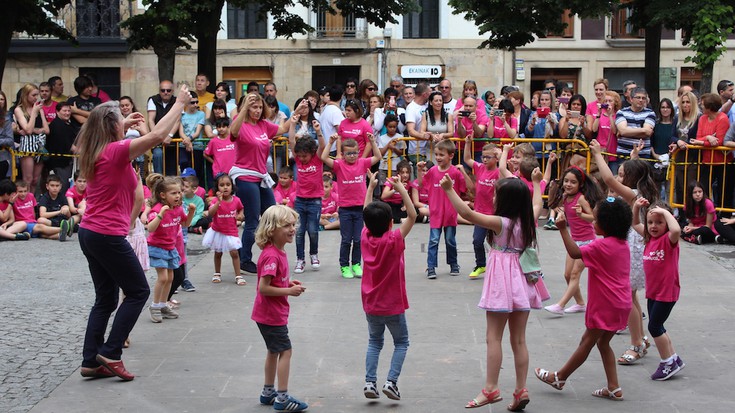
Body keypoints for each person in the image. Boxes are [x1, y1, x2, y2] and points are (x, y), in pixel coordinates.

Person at [75, 85, 188, 381]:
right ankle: (111, 353)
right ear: (111, 127)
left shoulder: (95, 148)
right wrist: (179, 103)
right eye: (118, 119)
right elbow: (157, 137)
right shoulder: (114, 152)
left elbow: (106, 131)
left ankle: (90, 360)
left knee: (105, 299)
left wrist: (121, 124)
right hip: (107, 235)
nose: (123, 121)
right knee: (138, 291)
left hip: (90, 232)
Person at [440, 168, 546, 410]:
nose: (494, 198)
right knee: (519, 340)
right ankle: (521, 389)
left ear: (506, 201)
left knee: (493, 337)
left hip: (502, 284)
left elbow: (467, 212)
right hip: (523, 283)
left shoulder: (501, 223)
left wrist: (448, 190)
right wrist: (538, 184)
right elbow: (537, 202)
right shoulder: (529, 220)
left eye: (497, 195)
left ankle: (491, 388)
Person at [535, 197, 632, 401]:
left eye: (596, 220)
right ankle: (614, 387)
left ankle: (559, 377)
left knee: (586, 342)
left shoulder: (601, 246)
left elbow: (574, 252)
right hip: (621, 304)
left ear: (607, 225)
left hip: (605, 305)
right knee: (603, 343)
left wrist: (563, 228)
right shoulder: (622, 244)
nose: (592, 223)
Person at [589, 140, 658, 366]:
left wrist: (598, 153)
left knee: (628, 296)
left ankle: (637, 342)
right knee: (632, 295)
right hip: (635, 245)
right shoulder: (639, 190)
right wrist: (634, 155)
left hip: (634, 247)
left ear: (629, 178)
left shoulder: (631, 193)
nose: (617, 179)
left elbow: (607, 179)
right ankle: (640, 337)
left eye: (622, 175)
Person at [229, 93, 306, 275]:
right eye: (253, 107)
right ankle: (244, 259)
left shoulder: (263, 125)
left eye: (258, 107)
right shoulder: (240, 123)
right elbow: (233, 133)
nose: (256, 110)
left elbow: (282, 129)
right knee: (253, 219)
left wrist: (296, 112)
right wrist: (243, 108)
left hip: (261, 176)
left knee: (274, 214)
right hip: (244, 175)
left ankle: (272, 253)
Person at [361, 170, 416, 401]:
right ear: (391, 223)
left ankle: (370, 382)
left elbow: (366, 213)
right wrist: (402, 189)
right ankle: (391, 382)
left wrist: (371, 188)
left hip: (371, 304)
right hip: (392, 305)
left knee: (375, 341)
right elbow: (412, 216)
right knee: (401, 342)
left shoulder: (365, 237)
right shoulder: (393, 240)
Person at [252, 205, 308, 412]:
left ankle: (268, 392)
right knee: (285, 351)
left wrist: (287, 283)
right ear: (272, 229)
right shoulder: (272, 256)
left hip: (268, 314)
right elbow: (264, 288)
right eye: (286, 225)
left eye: (293, 224)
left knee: (274, 351)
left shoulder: (277, 252)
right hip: (271, 314)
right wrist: (288, 292)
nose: (292, 229)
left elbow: (273, 282)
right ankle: (282, 397)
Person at [633, 199, 685, 380]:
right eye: (650, 222)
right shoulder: (649, 238)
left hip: (667, 292)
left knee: (654, 327)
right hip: (654, 292)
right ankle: (674, 358)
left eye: (659, 222)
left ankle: (667, 362)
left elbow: (677, 229)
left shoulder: (669, 240)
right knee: (659, 325)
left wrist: (665, 213)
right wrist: (637, 207)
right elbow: (635, 223)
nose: (654, 226)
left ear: (667, 222)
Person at [544, 166, 603, 315]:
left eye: (573, 182)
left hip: (587, 242)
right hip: (574, 241)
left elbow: (594, 218)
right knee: (567, 275)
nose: (568, 185)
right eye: (566, 181)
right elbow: (552, 203)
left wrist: (581, 215)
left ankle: (560, 305)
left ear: (580, 185)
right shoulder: (565, 196)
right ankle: (580, 303)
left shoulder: (581, 198)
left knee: (575, 274)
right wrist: (552, 188)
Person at [321, 134, 381, 278]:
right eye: (348, 153)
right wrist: (330, 142)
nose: (352, 156)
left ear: (358, 152)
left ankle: (356, 264)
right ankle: (344, 266)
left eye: (354, 152)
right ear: (342, 153)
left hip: (360, 208)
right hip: (345, 209)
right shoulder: (339, 165)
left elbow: (377, 157)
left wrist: (372, 142)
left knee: (359, 239)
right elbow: (323, 157)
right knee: (346, 239)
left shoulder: (362, 163)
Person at [146, 176, 196, 322]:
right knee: (163, 278)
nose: (178, 195)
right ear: (163, 195)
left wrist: (192, 211)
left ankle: (163, 305)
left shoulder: (178, 209)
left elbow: (185, 223)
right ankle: (154, 306)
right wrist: (161, 214)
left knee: (171, 278)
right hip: (157, 247)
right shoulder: (157, 209)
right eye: (173, 193)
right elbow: (150, 228)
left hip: (170, 247)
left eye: (179, 192)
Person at [416, 139, 467, 279]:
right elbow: (422, 185)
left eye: (441, 155)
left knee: (450, 240)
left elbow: (464, 189)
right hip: (436, 213)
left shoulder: (455, 173)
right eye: (436, 154)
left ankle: (454, 264)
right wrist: (419, 170)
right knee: (433, 241)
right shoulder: (432, 171)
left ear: (451, 155)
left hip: (450, 213)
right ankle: (431, 267)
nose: (438, 157)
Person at [288, 119, 327, 274]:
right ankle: (300, 259)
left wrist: (318, 130)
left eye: (305, 156)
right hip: (300, 201)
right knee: (299, 231)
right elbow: (291, 140)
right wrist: (292, 124)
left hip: (314, 201)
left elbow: (322, 145)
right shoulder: (298, 159)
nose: (302, 159)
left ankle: (314, 254)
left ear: (312, 153)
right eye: (300, 156)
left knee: (312, 230)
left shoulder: (317, 159)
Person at [464, 141, 499, 279]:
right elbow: (467, 159)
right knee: (477, 241)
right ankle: (481, 264)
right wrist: (467, 143)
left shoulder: (499, 172)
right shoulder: (480, 168)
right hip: (479, 213)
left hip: (494, 215)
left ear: (496, 158)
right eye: (483, 157)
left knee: (497, 243)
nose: (484, 159)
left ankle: (498, 266)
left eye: (488, 157)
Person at [689, 93, 731, 209]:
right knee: (704, 188)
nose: (700, 106)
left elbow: (719, 141)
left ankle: (724, 215)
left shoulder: (722, 118)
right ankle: (705, 212)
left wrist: (702, 142)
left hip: (722, 162)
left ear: (710, 106)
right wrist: (708, 137)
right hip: (706, 161)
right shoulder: (702, 118)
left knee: (724, 191)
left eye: (702, 105)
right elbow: (696, 138)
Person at [202, 173, 245, 285]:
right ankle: (217, 273)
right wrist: (219, 202)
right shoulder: (215, 201)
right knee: (218, 252)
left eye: (228, 184)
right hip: (218, 230)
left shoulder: (236, 200)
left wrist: (240, 215)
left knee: (234, 253)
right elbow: (211, 213)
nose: (225, 187)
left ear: (232, 186)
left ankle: (238, 275)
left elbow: (241, 209)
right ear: (217, 188)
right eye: (222, 185)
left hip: (231, 230)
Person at [14, 83, 50, 192]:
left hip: (40, 144)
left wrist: (35, 129)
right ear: (26, 95)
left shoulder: (40, 108)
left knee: (35, 180)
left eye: (37, 95)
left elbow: (47, 130)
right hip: (27, 145)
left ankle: (32, 201)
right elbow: (28, 130)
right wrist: (34, 113)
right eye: (33, 95)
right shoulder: (19, 110)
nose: (36, 98)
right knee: (28, 179)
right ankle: (25, 203)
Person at [147, 80, 181, 175]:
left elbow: (177, 120)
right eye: (163, 90)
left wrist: (170, 135)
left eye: (168, 90)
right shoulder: (153, 100)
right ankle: (158, 181)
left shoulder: (177, 101)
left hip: (173, 140)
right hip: (157, 141)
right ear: (159, 91)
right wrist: (157, 136)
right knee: (157, 155)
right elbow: (151, 120)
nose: (165, 92)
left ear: (172, 91)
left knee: (172, 169)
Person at [46, 102, 78, 194]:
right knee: (62, 186)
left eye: (69, 110)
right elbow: (68, 145)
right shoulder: (57, 125)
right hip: (59, 163)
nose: (67, 113)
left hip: (66, 161)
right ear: (57, 112)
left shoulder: (66, 124)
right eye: (64, 111)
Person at [616, 87, 655, 160]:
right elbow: (623, 131)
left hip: (643, 155)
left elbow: (648, 133)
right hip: (623, 154)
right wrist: (643, 130)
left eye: (643, 98)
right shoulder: (621, 112)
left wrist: (627, 131)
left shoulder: (650, 113)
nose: (641, 100)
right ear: (631, 99)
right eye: (638, 97)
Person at [178, 91, 206, 172]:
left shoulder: (201, 114)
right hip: (183, 145)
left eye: (197, 102)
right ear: (186, 103)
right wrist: (187, 142)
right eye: (192, 102)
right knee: (184, 166)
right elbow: (181, 132)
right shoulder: (182, 115)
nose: (195, 105)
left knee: (197, 169)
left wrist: (188, 140)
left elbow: (197, 132)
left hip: (197, 145)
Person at [376, 114, 406, 184]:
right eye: (390, 127)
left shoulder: (400, 137)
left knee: (394, 184)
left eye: (394, 127)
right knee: (383, 185)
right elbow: (381, 153)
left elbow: (401, 153)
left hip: (395, 165)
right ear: (386, 126)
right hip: (383, 166)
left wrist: (394, 148)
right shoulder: (381, 137)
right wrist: (388, 145)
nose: (392, 129)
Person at [380, 160, 413, 224]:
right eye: (402, 173)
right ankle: (399, 220)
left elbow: (408, 198)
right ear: (398, 173)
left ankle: (400, 219)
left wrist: (406, 206)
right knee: (384, 213)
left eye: (407, 173)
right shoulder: (392, 180)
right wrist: (395, 189)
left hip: (398, 205)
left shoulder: (408, 184)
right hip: (388, 204)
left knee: (413, 210)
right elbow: (383, 196)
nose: (405, 175)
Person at [0, 91, 13, 179]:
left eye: (1, 99)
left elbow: (10, 140)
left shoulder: (7, 119)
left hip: (2, 158)